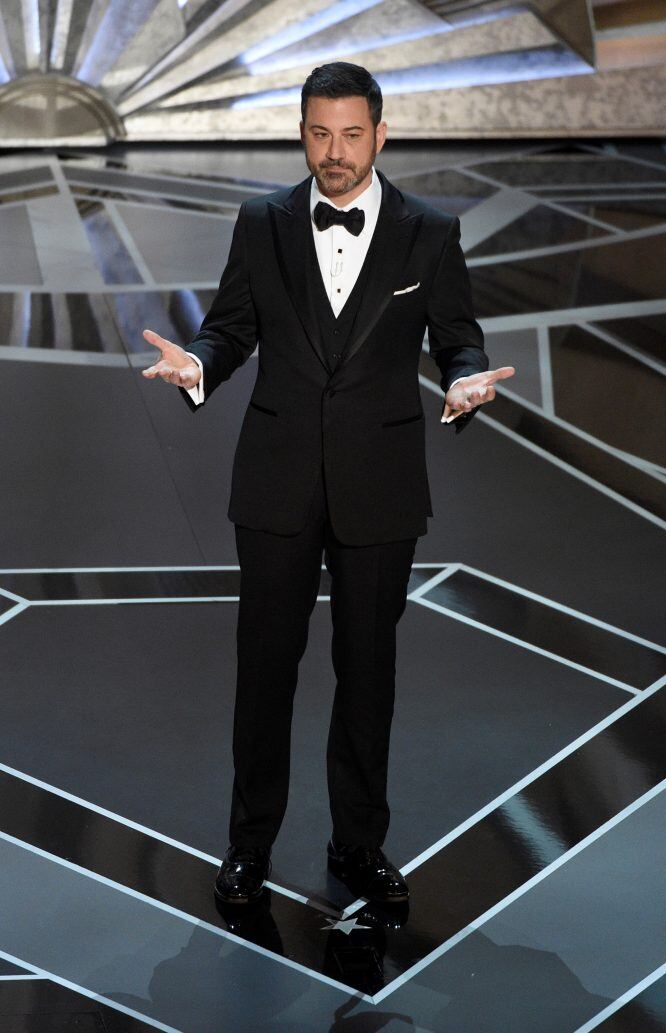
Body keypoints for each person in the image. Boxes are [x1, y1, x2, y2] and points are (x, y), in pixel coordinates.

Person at [141, 61, 515, 907]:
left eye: (351, 135)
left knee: (369, 672)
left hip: (380, 483)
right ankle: (247, 847)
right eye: (318, 133)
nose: (333, 153)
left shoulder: (430, 231)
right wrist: (198, 363)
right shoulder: (262, 220)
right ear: (301, 132)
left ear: (381, 135)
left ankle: (358, 842)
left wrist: (465, 381)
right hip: (275, 482)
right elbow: (231, 327)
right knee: (264, 672)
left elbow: (457, 338)